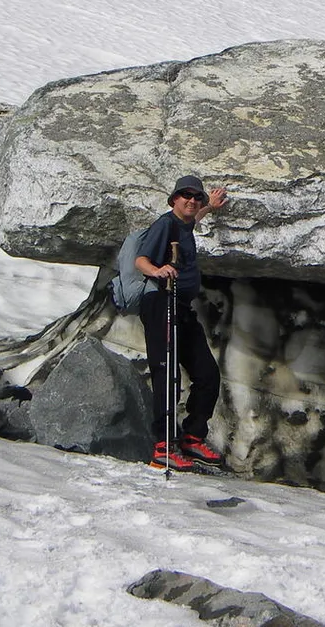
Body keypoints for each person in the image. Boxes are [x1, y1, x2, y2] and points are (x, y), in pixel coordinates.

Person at [134, 175, 228, 471]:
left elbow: (191, 220)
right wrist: (158, 271)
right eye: (185, 195)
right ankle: (163, 446)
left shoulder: (184, 223)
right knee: (167, 372)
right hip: (161, 303)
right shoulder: (164, 224)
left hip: (181, 306)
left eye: (196, 197)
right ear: (173, 198)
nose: (191, 200)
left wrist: (209, 207)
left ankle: (191, 438)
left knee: (207, 373)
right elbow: (141, 260)